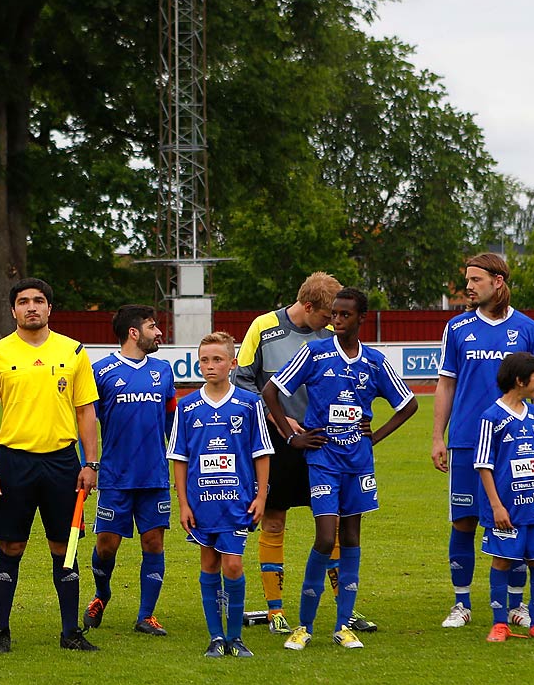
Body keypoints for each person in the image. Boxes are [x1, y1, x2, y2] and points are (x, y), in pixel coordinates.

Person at [264, 286, 418, 649]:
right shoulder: (315, 353)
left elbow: (408, 405)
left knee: (351, 539)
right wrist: (291, 438)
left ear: (361, 318)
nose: (337, 321)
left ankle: (342, 625)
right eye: (334, 314)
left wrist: (374, 436)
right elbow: (271, 391)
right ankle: (304, 626)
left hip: (358, 464)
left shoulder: (374, 362)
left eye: (345, 315)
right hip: (323, 461)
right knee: (324, 536)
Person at [0, 277, 101, 653]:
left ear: (49, 308)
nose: (32, 307)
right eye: (24, 301)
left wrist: (90, 462)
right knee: (11, 545)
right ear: (13, 310)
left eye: (39, 301)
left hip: (62, 461)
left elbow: (85, 411)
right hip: (14, 462)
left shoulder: (73, 351)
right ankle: (0, 632)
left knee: (65, 545)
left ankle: (70, 632)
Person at [235, 273, 369, 634]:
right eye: (328, 315)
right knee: (274, 519)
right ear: (309, 307)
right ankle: (275, 609)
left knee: (333, 526)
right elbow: (243, 381)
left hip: (327, 443)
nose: (334, 322)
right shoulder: (263, 328)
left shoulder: (333, 335)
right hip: (277, 441)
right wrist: (281, 420)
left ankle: (346, 611)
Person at [433, 252, 534, 628]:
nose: (468, 286)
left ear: (498, 281)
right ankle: (461, 603)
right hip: (466, 440)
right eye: (468, 279)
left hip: (515, 446)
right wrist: (438, 436)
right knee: (463, 521)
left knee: (514, 521)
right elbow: (446, 384)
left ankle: (517, 605)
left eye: (476, 279)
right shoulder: (457, 328)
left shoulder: (528, 329)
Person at [168, 333, 273, 658]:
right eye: (204, 360)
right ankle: (216, 637)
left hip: (237, 499)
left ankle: (235, 637)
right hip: (201, 503)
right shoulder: (187, 407)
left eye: (217, 360)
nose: (210, 366)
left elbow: (262, 453)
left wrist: (261, 497)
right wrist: (183, 503)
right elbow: (180, 458)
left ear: (232, 363)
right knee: (209, 562)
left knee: (233, 564)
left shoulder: (249, 403)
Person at [85, 304, 176, 635]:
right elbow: (86, 424)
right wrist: (88, 464)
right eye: (153, 326)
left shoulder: (164, 371)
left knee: (153, 543)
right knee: (107, 545)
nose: (159, 333)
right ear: (134, 333)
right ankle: (101, 594)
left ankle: (146, 615)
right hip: (115, 476)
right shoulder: (101, 372)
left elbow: (172, 425)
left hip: (154, 476)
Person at [474, 353, 534, 643]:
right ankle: (500, 624)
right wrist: (496, 506)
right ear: (520, 380)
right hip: (507, 507)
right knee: (501, 562)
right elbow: (484, 465)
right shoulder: (492, 417)